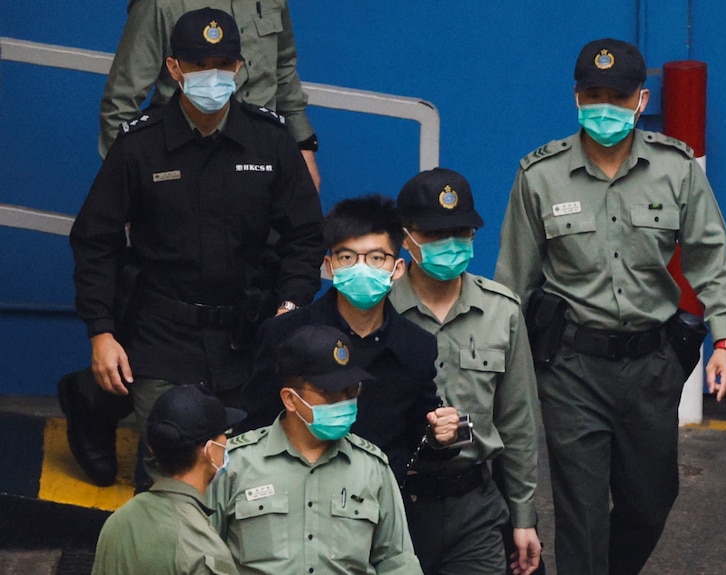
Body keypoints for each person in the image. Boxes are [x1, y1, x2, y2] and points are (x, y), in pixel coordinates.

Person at [494, 38, 726, 575]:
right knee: (581, 511)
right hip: (571, 367)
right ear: (576, 97)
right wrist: (498, 372)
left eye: (617, 95)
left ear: (641, 99)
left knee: (651, 500)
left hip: (651, 366)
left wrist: (725, 340)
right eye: (592, 95)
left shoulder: (675, 170)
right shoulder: (539, 176)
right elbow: (512, 284)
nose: (603, 106)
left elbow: (713, 261)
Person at [69, 8, 324, 483]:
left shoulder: (269, 143)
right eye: (199, 64)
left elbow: (306, 235)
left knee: (244, 478)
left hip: (247, 337)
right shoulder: (139, 147)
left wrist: (291, 305)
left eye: (225, 64)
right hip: (162, 337)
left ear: (239, 68)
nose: (213, 76)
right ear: (174, 69)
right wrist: (101, 331)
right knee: (170, 476)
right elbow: (95, 241)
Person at [240, 194, 460, 484]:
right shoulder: (284, 335)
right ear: (330, 267)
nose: (361, 267)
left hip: (376, 503)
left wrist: (441, 437)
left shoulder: (417, 347)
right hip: (293, 499)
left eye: (376, 258)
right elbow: (255, 430)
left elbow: (418, 439)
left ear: (397, 269)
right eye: (347, 257)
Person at [388, 168, 543, 575]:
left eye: (461, 233)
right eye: (436, 235)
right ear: (406, 238)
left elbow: (518, 423)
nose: (451, 245)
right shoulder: (380, 310)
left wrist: (524, 517)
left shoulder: (501, 311)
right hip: (395, 501)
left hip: (473, 503)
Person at [210, 324, 423, 574]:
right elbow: (205, 555)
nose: (345, 402)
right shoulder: (235, 464)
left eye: (352, 390)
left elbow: (396, 561)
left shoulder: (372, 467)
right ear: (290, 399)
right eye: (331, 393)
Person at [98, 0, 321, 190]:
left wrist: (304, 145)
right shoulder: (160, 3)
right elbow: (121, 101)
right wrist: (124, 186)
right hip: (183, 158)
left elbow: (283, 68)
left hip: (262, 157)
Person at [91, 384, 246, 575]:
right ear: (211, 451)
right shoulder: (205, 552)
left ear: (153, 449)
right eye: (224, 434)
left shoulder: (118, 522)